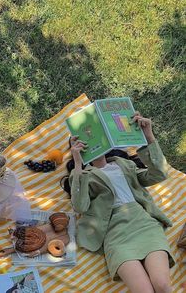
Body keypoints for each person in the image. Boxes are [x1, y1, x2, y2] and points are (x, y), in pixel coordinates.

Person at [67, 112, 175, 293]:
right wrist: (78, 165)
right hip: (115, 233)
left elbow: (160, 173)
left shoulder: (123, 164)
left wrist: (148, 135)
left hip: (144, 224)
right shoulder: (84, 176)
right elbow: (80, 206)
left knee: (162, 286)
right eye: (85, 142)